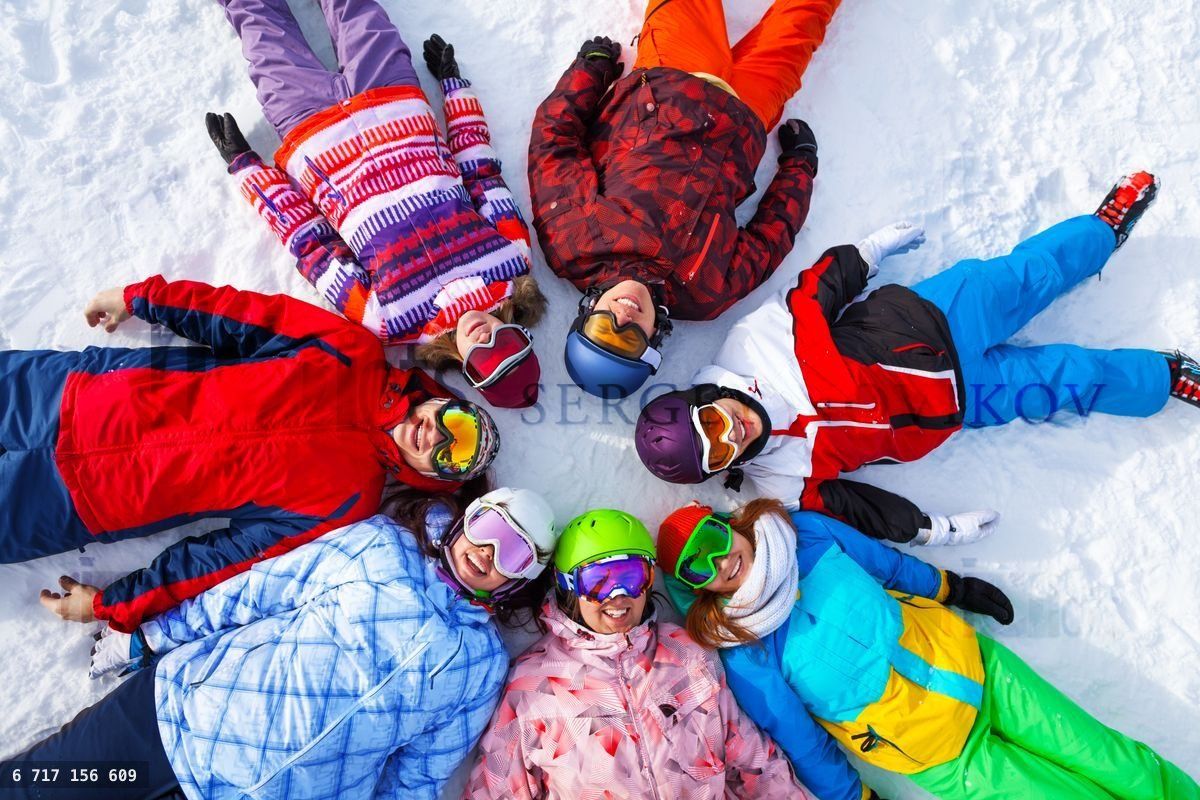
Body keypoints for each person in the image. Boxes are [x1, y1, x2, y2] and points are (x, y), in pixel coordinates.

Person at [636, 172, 1200, 544]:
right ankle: (1165, 376)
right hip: (958, 406)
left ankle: (1099, 233)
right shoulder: (778, 480)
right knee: (1070, 382)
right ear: (723, 469)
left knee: (1031, 276)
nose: (731, 431)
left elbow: (814, 294)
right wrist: (932, 530)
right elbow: (856, 507)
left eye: (711, 422)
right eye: (722, 451)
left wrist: (868, 251)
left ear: (702, 398)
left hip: (935, 318)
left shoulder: (753, 347)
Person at [7, 275, 499, 633]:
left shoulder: (349, 500)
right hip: (71, 393)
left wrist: (114, 605)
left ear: (431, 478)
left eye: (449, 456)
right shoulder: (352, 353)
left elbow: (220, 560)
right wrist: (145, 299)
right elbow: (239, 318)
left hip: (77, 502)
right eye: (456, 425)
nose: (436, 437)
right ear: (443, 401)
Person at [7, 487, 560, 800]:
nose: (488, 553)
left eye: (512, 554)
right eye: (490, 528)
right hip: (177, 718)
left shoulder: (482, 666)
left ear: (518, 580)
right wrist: (155, 634)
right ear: (467, 516)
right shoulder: (381, 549)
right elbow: (256, 592)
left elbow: (417, 773)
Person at [656, 500, 1200, 800]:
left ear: (728, 525)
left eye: (714, 542)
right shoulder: (746, 648)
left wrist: (951, 587)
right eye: (698, 567)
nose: (720, 563)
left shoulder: (807, 535)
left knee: (1115, 759)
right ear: (696, 586)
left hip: (980, 669)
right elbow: (801, 739)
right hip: (945, 754)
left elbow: (886, 564)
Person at [209, 0, 544, 408]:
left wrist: (249, 171)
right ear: (521, 331)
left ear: (467, 371)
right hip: (394, 98)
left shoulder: (387, 319)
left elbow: (313, 248)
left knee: (260, 25)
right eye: (506, 342)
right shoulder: (512, 259)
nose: (485, 338)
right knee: (356, 10)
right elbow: (481, 174)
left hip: (310, 131)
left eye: (485, 361)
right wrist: (456, 91)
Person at [528, 0, 839, 398]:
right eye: (629, 341)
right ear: (653, 340)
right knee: (805, 17)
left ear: (587, 313)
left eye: (605, 328)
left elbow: (554, 148)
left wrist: (588, 71)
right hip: (747, 115)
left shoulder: (574, 245)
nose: (624, 318)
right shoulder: (706, 294)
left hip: (671, 80)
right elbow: (770, 238)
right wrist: (798, 168)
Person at [465, 509, 811, 799]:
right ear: (569, 586)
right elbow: (498, 788)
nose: (618, 596)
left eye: (632, 576)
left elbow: (752, 760)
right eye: (598, 580)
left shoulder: (685, 653)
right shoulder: (533, 684)